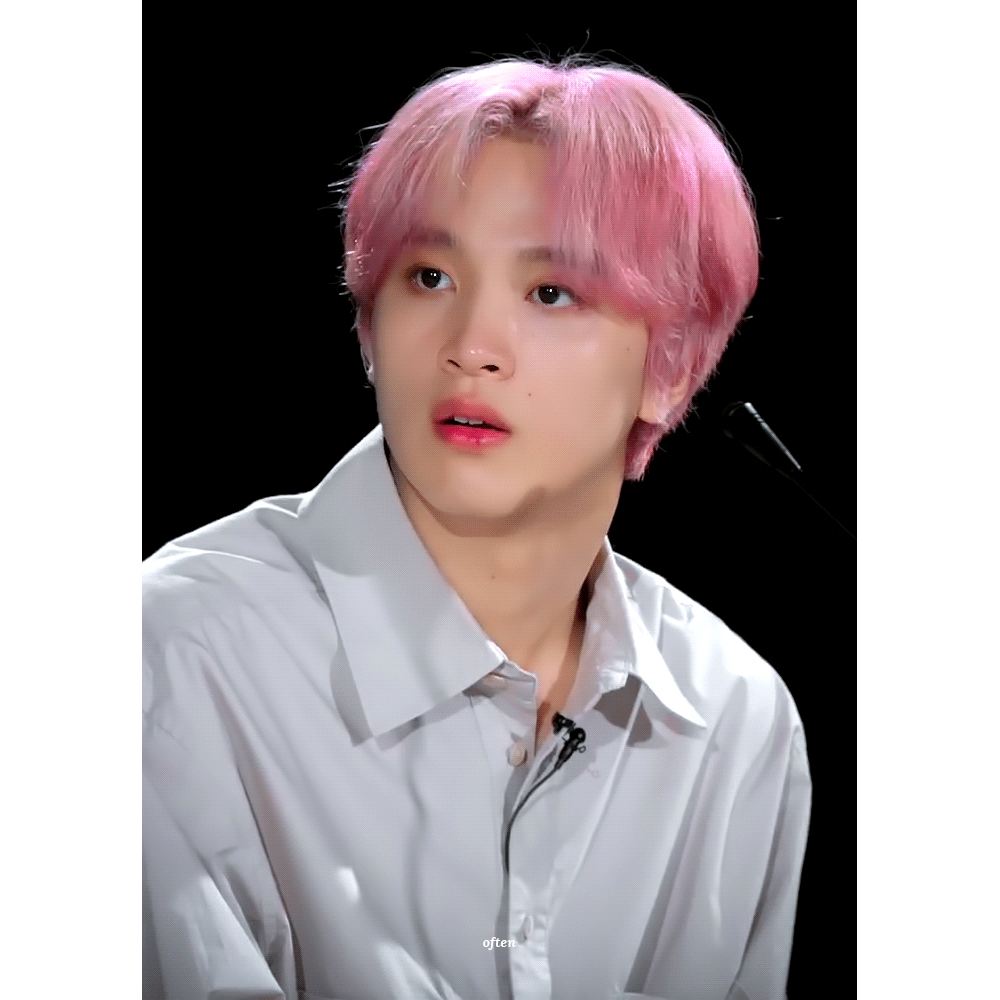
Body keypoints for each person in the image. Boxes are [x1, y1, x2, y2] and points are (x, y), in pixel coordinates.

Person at [143, 54, 811, 1000]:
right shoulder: (172, 656)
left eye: (551, 293)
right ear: (369, 324)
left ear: (669, 367)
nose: (470, 348)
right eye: (428, 276)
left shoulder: (736, 720)